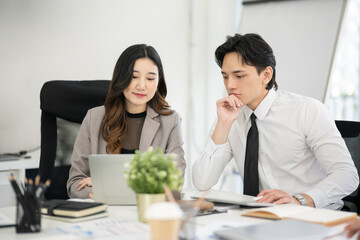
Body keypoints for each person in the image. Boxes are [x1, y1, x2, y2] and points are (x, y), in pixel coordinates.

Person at [192, 33, 359, 209]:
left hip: (311, 216)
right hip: (259, 218)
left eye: (239, 76)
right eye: (225, 77)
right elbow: (202, 182)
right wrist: (223, 124)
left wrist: (300, 199)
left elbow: (347, 175)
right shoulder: (230, 116)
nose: (230, 85)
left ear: (266, 75)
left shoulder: (307, 110)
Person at [67, 44, 186, 199]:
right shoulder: (93, 118)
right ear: (120, 77)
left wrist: (106, 186)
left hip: (147, 212)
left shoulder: (171, 121)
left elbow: (175, 181)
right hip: (104, 213)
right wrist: (97, 193)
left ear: (159, 81)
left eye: (150, 78)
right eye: (134, 76)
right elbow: (74, 183)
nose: (141, 86)